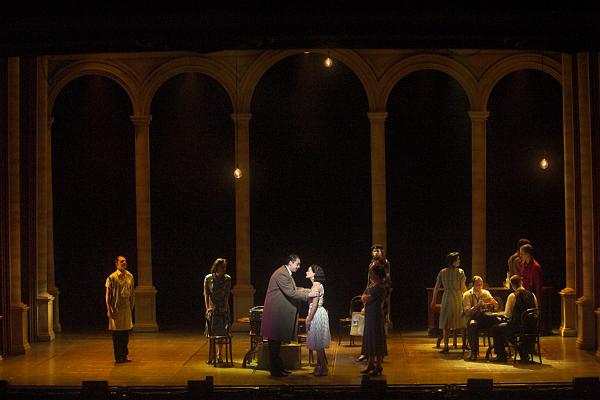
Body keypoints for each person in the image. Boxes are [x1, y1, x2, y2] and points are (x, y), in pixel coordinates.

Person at [261, 254, 318, 377]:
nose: (299, 266)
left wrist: (308, 290)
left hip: (277, 314)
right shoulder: (282, 274)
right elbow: (291, 292)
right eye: (297, 264)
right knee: (274, 345)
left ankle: (279, 368)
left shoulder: (286, 273)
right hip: (275, 315)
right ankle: (275, 371)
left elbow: (294, 288)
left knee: (276, 344)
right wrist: (309, 294)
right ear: (290, 263)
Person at [490, 274, 538, 362]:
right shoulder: (532, 295)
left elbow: (507, 315)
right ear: (521, 282)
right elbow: (536, 312)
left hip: (517, 327)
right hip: (531, 327)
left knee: (496, 329)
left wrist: (498, 314)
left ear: (512, 285)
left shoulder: (513, 296)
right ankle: (523, 352)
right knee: (505, 329)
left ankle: (501, 355)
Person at [357, 244, 392, 362]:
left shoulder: (384, 263)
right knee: (368, 328)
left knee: (378, 328)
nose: (375, 252)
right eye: (374, 250)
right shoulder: (371, 263)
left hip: (379, 296)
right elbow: (369, 280)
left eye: (378, 250)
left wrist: (378, 292)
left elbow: (386, 280)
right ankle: (367, 352)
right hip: (371, 292)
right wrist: (366, 293)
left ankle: (378, 354)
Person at [430, 251, 467, 354]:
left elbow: (436, 288)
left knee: (447, 322)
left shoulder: (443, 272)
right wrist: (467, 297)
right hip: (457, 297)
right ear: (453, 261)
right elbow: (463, 287)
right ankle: (463, 344)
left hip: (447, 297)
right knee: (461, 320)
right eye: (458, 259)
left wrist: (433, 300)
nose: (459, 261)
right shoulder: (460, 272)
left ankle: (446, 346)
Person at [359, 261, 388, 376]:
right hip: (370, 315)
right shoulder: (372, 285)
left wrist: (365, 297)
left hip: (376, 315)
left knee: (376, 339)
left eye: (371, 273)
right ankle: (370, 364)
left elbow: (367, 298)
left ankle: (378, 366)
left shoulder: (380, 287)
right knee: (370, 338)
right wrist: (365, 297)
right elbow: (363, 297)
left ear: (376, 274)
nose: (370, 275)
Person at [105, 255, 135, 364]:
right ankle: (118, 357)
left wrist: (132, 305)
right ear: (116, 264)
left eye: (125, 261)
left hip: (126, 307)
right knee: (117, 334)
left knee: (125, 333)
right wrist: (109, 309)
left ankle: (124, 355)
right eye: (121, 261)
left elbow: (131, 291)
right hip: (116, 308)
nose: (124, 263)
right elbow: (108, 295)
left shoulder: (130, 276)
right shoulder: (112, 277)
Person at [462, 275, 499, 360]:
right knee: (472, 324)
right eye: (478, 285)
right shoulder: (467, 295)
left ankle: (500, 352)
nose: (480, 286)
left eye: (481, 284)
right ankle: (474, 353)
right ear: (473, 285)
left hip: (485, 318)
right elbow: (467, 313)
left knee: (498, 322)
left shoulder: (486, 293)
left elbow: (495, 307)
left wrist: (495, 304)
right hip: (473, 318)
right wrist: (477, 306)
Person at [204, 258, 232, 363]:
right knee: (211, 333)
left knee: (222, 333)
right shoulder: (209, 278)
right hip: (212, 308)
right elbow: (206, 294)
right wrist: (207, 308)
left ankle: (219, 355)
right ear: (217, 267)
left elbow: (227, 295)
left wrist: (225, 307)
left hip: (222, 309)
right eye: (222, 267)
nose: (224, 269)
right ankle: (211, 355)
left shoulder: (227, 279)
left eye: (225, 267)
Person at [305, 264, 331, 376]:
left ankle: (324, 368)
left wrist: (309, 318)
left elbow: (314, 305)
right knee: (318, 342)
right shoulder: (318, 284)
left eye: (309, 270)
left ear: (314, 274)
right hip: (319, 313)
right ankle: (320, 366)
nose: (306, 272)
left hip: (316, 314)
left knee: (318, 343)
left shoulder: (316, 286)